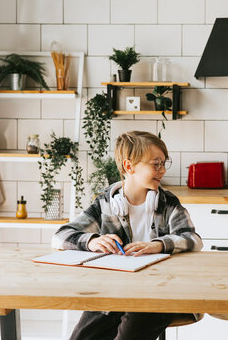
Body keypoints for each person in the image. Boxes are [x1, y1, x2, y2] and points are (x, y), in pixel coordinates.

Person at [52, 130, 203, 340]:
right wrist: (92, 241)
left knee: (129, 332)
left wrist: (158, 245)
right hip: (114, 291)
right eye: (155, 163)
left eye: (163, 163)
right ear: (129, 166)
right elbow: (60, 236)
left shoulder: (168, 203)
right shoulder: (105, 204)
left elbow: (192, 239)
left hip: (160, 292)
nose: (161, 170)